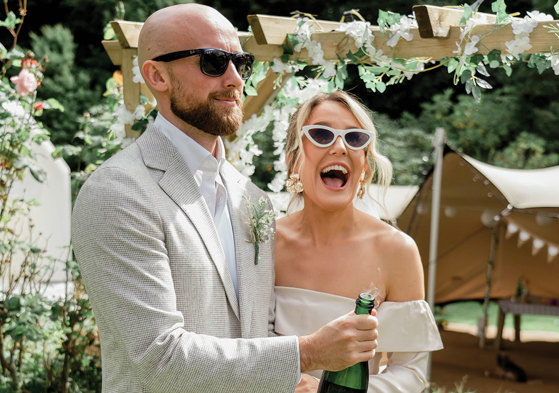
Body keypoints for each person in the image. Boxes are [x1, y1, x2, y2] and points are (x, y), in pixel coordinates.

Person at [71, 4, 379, 393]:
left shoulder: (254, 200)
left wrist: (295, 382)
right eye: (214, 62)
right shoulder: (117, 192)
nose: (235, 79)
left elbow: (257, 331)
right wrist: (308, 353)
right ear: (157, 75)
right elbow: (157, 357)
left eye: (241, 63)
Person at [274, 90, 443, 392]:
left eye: (354, 138)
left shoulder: (396, 251)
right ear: (293, 161)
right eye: (322, 134)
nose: (339, 147)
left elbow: (412, 374)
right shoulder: (262, 245)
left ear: (364, 166)